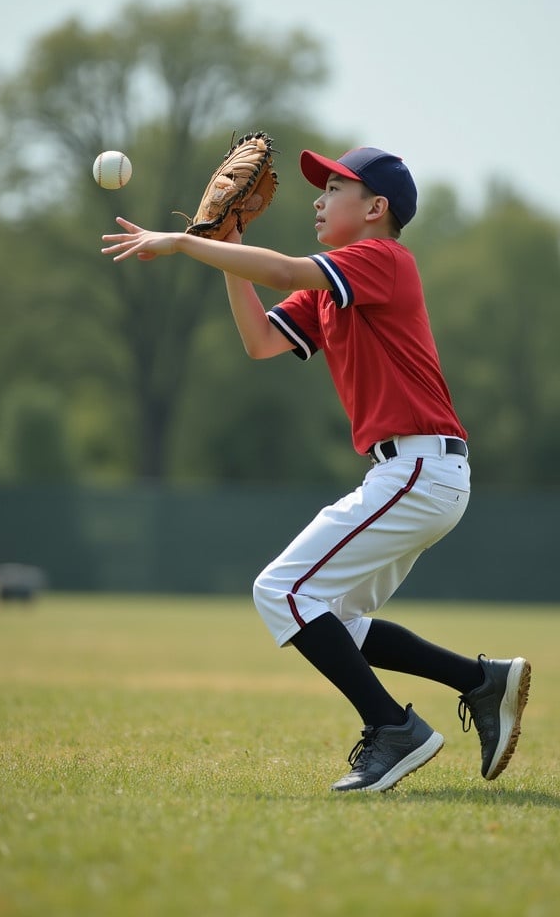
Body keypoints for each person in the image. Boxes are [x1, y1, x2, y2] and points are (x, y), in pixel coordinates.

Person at [102, 144, 531, 793]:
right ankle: (480, 681)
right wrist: (223, 243)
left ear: (376, 208)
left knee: (281, 591)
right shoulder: (334, 287)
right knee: (331, 618)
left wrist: (187, 244)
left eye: (335, 188)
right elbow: (260, 341)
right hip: (414, 474)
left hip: (417, 469)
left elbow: (280, 269)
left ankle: (393, 728)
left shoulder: (382, 260)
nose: (318, 199)